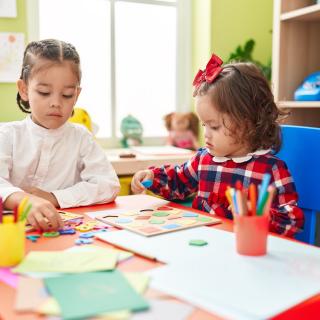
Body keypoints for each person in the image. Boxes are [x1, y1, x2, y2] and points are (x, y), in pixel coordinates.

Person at [131, 53, 304, 237]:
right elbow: (177, 182)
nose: (205, 134)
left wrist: (259, 215)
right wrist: (152, 177)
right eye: (204, 125)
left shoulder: (271, 169)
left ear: (246, 122)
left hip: (247, 253)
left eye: (214, 126)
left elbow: (292, 220)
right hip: (205, 245)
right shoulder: (204, 159)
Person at [0, 39, 120, 231]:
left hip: (65, 233)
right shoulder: (7, 135)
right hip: (12, 236)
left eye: (67, 95)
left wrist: (54, 197)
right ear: (24, 89)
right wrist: (22, 200)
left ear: (77, 95)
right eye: (44, 92)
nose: (56, 102)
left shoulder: (81, 137)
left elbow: (108, 185)